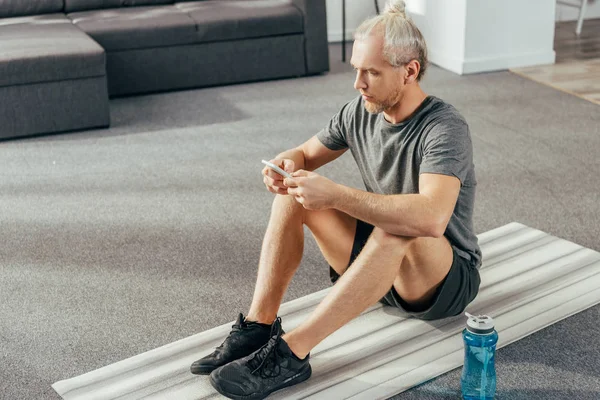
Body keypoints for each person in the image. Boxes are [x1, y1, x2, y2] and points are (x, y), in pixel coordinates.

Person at [192, 0, 481, 398]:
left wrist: (336, 195)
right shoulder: (360, 111)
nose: (358, 83)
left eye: (372, 73)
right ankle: (259, 326)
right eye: (356, 70)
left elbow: (431, 218)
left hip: (441, 279)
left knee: (399, 229)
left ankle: (292, 353)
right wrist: (288, 162)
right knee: (293, 195)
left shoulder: (444, 128)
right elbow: (306, 153)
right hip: (378, 270)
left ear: (410, 71)